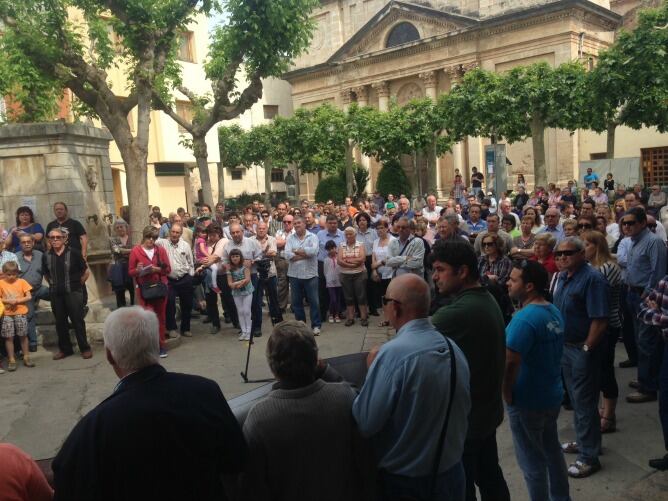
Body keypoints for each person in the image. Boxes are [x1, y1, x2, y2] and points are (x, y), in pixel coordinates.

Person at [52, 306, 246, 501]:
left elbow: (68, 483)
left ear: (110, 356)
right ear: (157, 343)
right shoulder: (206, 391)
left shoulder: (94, 427)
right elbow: (236, 460)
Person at [353, 274, 471, 501]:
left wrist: (371, 372)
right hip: (452, 474)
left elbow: (365, 422)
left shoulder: (393, 354)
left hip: (407, 484)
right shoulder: (453, 348)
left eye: (385, 301)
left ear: (395, 308)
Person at [240, 320, 372, 499]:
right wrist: (327, 371)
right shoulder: (344, 397)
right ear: (316, 360)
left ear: (273, 368)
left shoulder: (259, 419)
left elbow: (252, 487)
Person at [430, 240, 510, 501]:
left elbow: (408, 340)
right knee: (490, 477)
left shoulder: (457, 313)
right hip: (484, 414)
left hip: (467, 423)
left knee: (460, 488)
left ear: (462, 271)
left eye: (440, 269)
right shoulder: (483, 297)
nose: (434, 276)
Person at [503, 260, 571, 501]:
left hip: (528, 400)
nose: (507, 283)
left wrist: (507, 393)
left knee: (532, 462)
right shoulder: (552, 310)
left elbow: (510, 362)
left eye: (513, 279)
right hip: (550, 396)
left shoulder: (524, 319)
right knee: (552, 451)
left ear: (529, 286)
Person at [552, 237, 609, 478]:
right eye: (559, 254)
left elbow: (600, 319)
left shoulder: (592, 279)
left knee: (584, 402)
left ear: (581, 253)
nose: (562, 257)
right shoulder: (564, 277)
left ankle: (589, 457)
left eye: (568, 253)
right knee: (577, 400)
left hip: (582, 349)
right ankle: (586, 442)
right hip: (566, 346)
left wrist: (586, 348)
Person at [623, 207, 667, 404]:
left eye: (631, 223)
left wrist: (648, 295)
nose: (626, 227)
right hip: (632, 293)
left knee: (646, 341)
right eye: (624, 223)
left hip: (645, 295)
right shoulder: (633, 242)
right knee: (640, 339)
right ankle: (645, 377)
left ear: (642, 223)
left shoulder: (653, 242)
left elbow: (658, 271)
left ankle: (648, 387)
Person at [581, 230, 623, 434]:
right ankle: (604, 409)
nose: (584, 249)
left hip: (608, 324)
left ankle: (609, 415)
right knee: (597, 369)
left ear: (597, 246)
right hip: (593, 323)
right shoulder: (592, 267)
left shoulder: (607, 268)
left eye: (587, 245)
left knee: (605, 369)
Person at [43, 227, 92, 361]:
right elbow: (46, 274)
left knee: (78, 320)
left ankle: (85, 348)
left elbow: (85, 272)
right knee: (60, 322)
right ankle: (65, 349)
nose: (55, 240)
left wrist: (76, 286)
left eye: (58, 237)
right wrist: (54, 285)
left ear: (64, 239)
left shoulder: (74, 253)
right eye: (52, 237)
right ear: (49, 240)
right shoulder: (46, 255)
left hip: (73, 292)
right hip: (56, 294)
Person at [128, 226, 171, 358]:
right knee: (147, 319)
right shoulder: (135, 251)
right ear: (144, 236)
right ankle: (149, 347)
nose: (151, 240)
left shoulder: (160, 250)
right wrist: (138, 270)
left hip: (160, 287)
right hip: (144, 290)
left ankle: (161, 346)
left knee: (161, 318)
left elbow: (168, 269)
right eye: (148, 237)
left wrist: (156, 270)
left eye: (154, 238)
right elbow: (130, 272)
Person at [156, 223, 195, 339]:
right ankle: (172, 328)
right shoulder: (162, 243)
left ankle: (186, 328)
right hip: (169, 280)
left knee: (187, 304)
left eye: (177, 232)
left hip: (184, 278)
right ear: (169, 232)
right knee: (170, 303)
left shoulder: (185, 245)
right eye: (173, 231)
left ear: (181, 234)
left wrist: (190, 276)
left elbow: (190, 262)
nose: (175, 234)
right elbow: (150, 238)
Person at [285, 216, 321, 335]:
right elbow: (287, 255)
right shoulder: (290, 238)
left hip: (310, 275)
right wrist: (305, 253)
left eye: (299, 222)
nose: (297, 225)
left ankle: (316, 325)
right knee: (296, 302)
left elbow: (314, 252)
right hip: (294, 275)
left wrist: (296, 251)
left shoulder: (313, 237)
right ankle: (301, 326)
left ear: (305, 224)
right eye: (294, 223)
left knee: (314, 301)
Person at [16, 234, 49, 352]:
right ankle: (33, 342)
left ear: (33, 243)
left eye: (29, 241)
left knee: (57, 295)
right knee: (29, 315)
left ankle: (67, 322)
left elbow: (46, 271)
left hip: (39, 288)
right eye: (23, 242)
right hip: (25, 293)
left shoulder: (40, 255)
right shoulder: (16, 257)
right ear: (20, 245)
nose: (26, 244)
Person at [0, 261, 34, 371]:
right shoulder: (1, 283)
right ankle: (11, 359)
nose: (11, 277)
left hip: (21, 312)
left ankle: (26, 356)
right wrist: (8, 301)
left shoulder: (22, 282)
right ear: (4, 273)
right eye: (8, 274)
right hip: (7, 314)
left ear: (17, 273)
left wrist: (18, 300)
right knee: (9, 337)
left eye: (14, 274)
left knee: (23, 335)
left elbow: (29, 296)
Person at [252, 221, 284, 326]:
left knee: (273, 296)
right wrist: (265, 253)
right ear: (256, 229)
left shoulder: (272, 239)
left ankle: (277, 319)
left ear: (267, 229)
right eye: (259, 228)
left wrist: (258, 255)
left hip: (270, 273)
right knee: (257, 298)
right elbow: (251, 256)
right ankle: (257, 324)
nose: (261, 230)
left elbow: (273, 253)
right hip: (256, 274)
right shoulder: (250, 240)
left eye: (263, 228)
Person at [339, 226, 368, 327]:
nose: (348, 236)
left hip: (359, 273)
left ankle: (364, 317)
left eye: (350, 233)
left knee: (361, 296)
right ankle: (350, 318)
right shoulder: (341, 245)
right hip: (345, 275)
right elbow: (339, 260)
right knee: (348, 297)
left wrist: (347, 261)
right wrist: (353, 263)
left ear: (355, 235)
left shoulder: (360, 244)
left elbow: (362, 259)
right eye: (346, 234)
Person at [226, 248, 254, 341]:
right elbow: (230, 283)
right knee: (240, 311)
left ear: (240, 257)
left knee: (247, 311)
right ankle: (244, 331)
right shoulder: (230, 269)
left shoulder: (245, 267)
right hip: (237, 293)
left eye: (237, 256)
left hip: (247, 291)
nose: (235, 258)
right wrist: (236, 284)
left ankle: (249, 332)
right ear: (230, 258)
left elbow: (247, 279)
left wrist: (239, 283)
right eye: (233, 256)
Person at [108, 219, 134, 308]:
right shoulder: (112, 239)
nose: (119, 229)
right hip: (118, 268)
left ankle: (134, 308)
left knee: (133, 288)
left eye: (121, 227)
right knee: (119, 291)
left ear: (126, 227)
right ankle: (121, 311)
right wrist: (132, 250)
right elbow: (117, 250)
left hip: (131, 266)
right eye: (117, 228)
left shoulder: (132, 238)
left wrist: (128, 251)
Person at [324, 240, 343, 324]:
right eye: (329, 249)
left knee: (338, 299)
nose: (331, 250)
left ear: (336, 248)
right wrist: (328, 279)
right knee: (333, 299)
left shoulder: (339, 257)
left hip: (339, 280)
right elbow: (325, 271)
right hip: (330, 281)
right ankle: (331, 314)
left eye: (333, 248)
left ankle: (337, 315)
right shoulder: (326, 260)